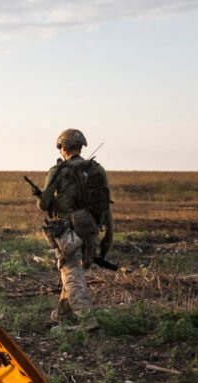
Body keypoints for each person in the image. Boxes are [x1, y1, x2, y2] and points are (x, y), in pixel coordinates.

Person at [36, 128, 114, 331]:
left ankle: (87, 321)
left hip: (68, 228)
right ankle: (62, 315)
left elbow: (43, 205)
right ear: (81, 146)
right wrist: (108, 237)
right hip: (91, 227)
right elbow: (105, 204)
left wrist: (43, 198)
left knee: (71, 273)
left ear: (63, 148)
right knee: (73, 271)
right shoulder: (96, 169)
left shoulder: (58, 171)